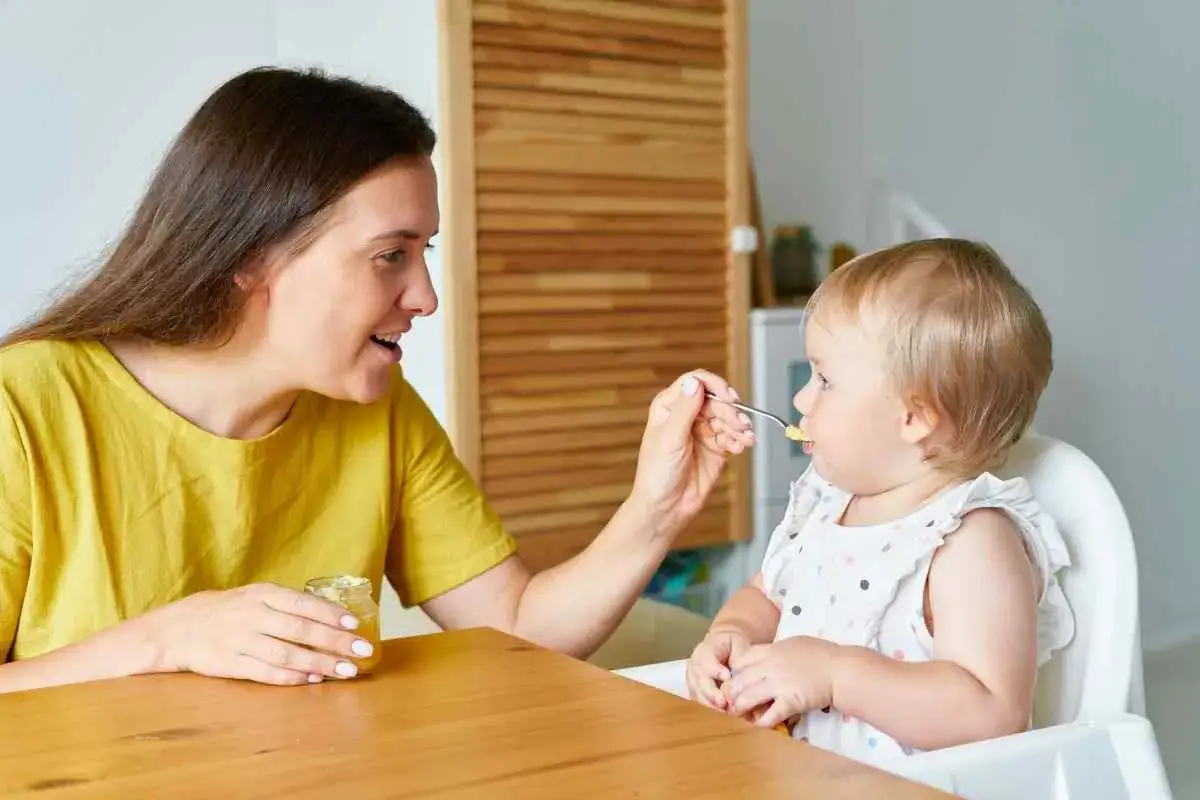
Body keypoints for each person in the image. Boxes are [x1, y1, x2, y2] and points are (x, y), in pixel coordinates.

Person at [0, 66, 754, 693]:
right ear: (252, 257)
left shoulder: (376, 412)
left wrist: (657, 508)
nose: (425, 295)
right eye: (391, 254)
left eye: (424, 252)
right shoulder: (25, 407)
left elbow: (521, 629)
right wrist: (166, 640)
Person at [686, 239, 1075, 764]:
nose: (802, 399)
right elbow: (768, 596)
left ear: (913, 417)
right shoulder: (826, 508)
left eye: (823, 380)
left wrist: (834, 674)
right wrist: (732, 634)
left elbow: (991, 710)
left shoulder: (969, 540)